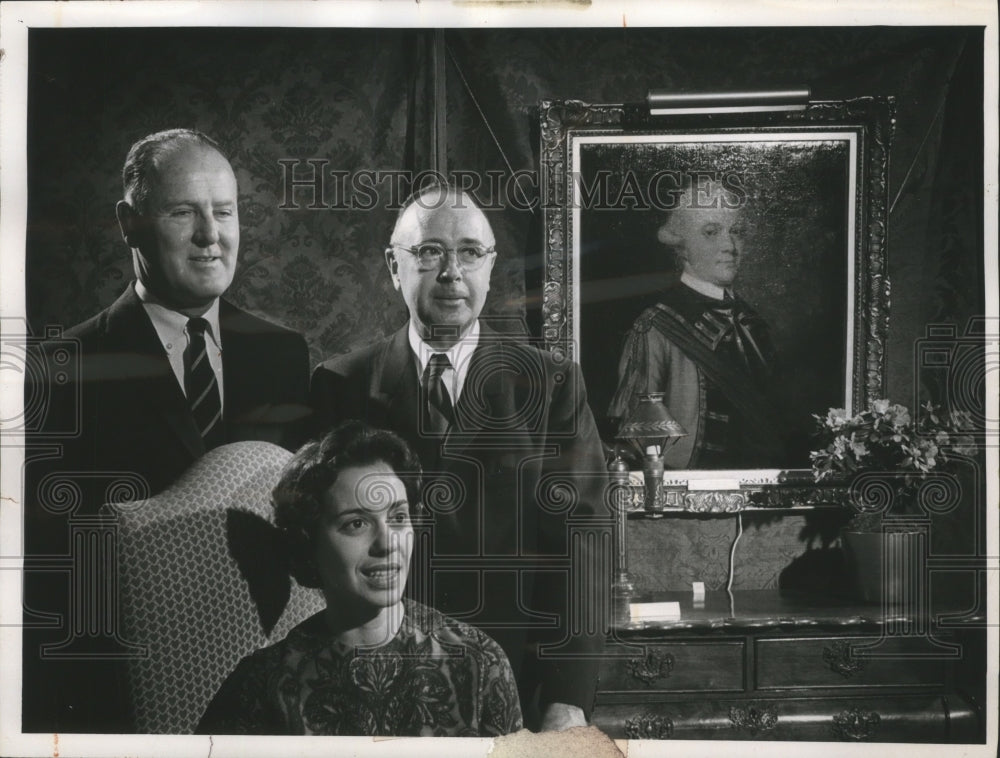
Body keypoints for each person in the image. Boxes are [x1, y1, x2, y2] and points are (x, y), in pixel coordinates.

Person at [23, 129, 311, 732]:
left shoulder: (282, 354)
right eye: (184, 212)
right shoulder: (59, 370)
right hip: (121, 692)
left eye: (224, 212)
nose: (212, 236)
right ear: (129, 223)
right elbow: (46, 572)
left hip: (266, 684)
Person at [310, 183, 610, 731]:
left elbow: (583, 542)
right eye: (429, 252)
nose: (452, 272)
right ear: (393, 266)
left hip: (515, 688)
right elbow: (320, 549)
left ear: (490, 267)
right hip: (374, 689)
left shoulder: (551, 385)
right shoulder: (341, 385)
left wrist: (568, 697)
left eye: (470, 252)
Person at [197, 421, 523, 736]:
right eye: (357, 524)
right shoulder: (262, 685)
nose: (387, 543)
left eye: (397, 517)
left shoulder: (480, 663)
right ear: (307, 542)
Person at [608, 175, 786, 469]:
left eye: (737, 232)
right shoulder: (655, 327)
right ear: (683, 247)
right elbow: (636, 430)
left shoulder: (754, 324)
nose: (730, 245)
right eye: (711, 232)